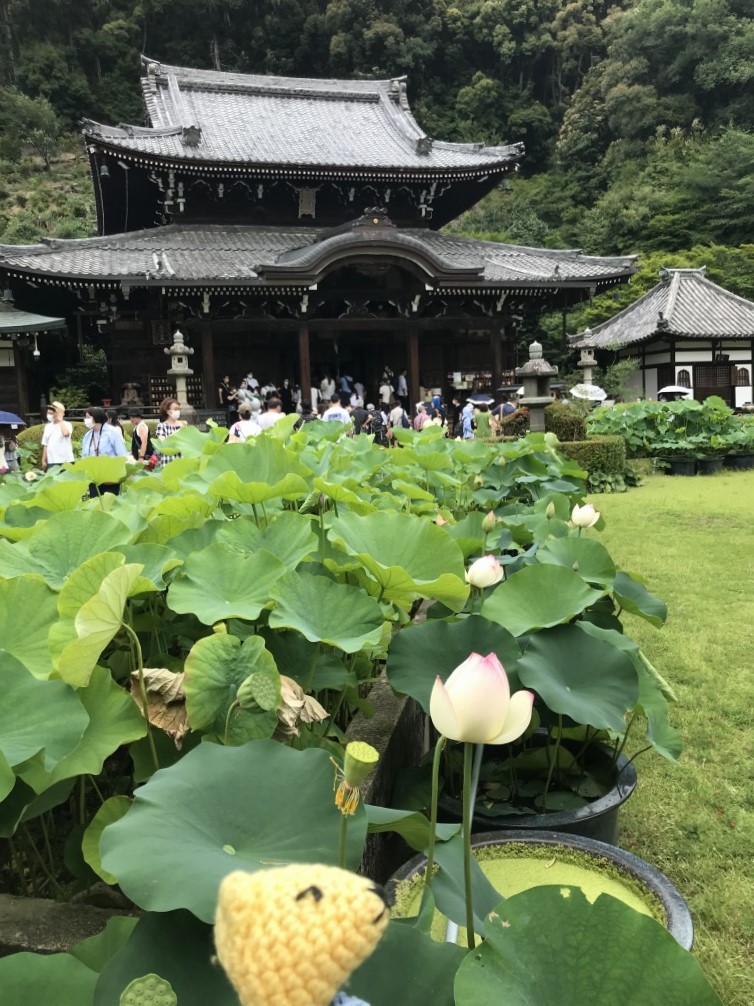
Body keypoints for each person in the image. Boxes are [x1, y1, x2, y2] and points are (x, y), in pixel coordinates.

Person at [81, 405, 129, 497]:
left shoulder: (112, 432)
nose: (86, 420)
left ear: (96, 417)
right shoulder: (88, 436)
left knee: (110, 502)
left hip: (110, 476)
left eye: (88, 417)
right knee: (95, 502)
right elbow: (84, 457)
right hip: (94, 476)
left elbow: (121, 454)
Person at [41, 400, 74, 470]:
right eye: (48, 413)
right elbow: (45, 444)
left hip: (66, 460)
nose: (49, 415)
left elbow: (65, 434)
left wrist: (60, 420)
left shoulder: (67, 424)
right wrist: (43, 460)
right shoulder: (47, 427)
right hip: (52, 460)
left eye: (52, 413)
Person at [155, 397, 186, 465]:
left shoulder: (183, 424)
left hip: (182, 460)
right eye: (175, 409)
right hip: (167, 461)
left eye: (179, 409)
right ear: (168, 411)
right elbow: (163, 443)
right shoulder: (161, 426)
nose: (178, 411)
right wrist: (177, 432)